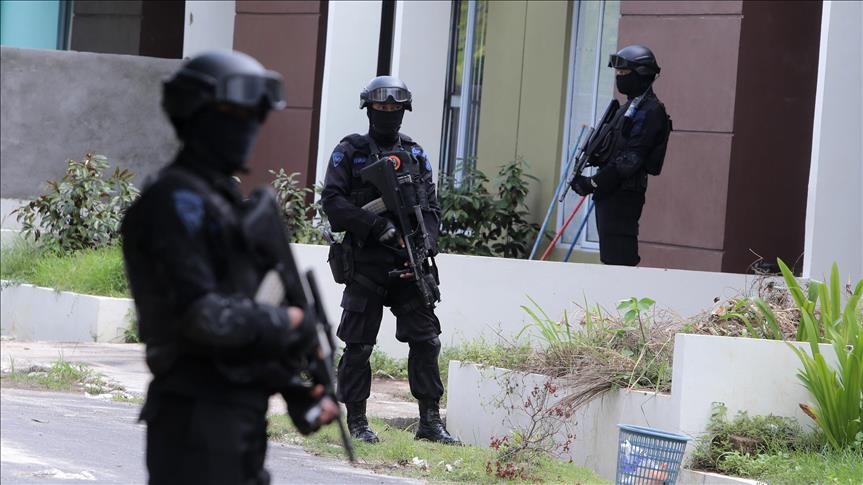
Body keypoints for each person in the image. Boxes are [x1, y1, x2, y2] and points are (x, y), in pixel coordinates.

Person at [121, 50, 338, 485]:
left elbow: (240, 321)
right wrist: (290, 321)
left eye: (254, 116)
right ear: (197, 114)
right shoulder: (175, 203)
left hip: (234, 421)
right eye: (236, 115)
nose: (248, 128)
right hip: (196, 422)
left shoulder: (218, 203)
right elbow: (204, 319)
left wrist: (294, 386)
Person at [321, 76, 459, 445]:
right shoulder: (350, 151)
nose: (388, 113)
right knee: (359, 346)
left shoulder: (415, 154)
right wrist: (375, 225)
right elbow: (333, 202)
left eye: (394, 108)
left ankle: (430, 423)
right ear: (369, 110)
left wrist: (427, 244)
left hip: (409, 262)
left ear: (403, 111)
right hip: (366, 263)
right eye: (381, 107)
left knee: (427, 341)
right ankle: (357, 422)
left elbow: (431, 207)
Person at [570, 44, 672, 266]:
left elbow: (630, 160)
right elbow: (613, 149)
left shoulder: (650, 111)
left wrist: (593, 183)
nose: (619, 78)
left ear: (641, 75)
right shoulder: (627, 108)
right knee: (610, 258)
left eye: (624, 73)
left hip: (624, 195)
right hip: (610, 194)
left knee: (620, 260)